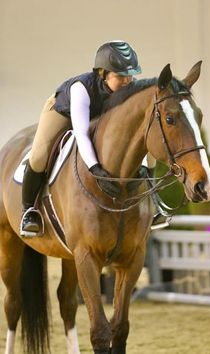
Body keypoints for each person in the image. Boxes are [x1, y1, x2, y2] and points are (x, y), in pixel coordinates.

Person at [20, 40, 143, 236]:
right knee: (39, 154)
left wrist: (144, 166)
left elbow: (136, 132)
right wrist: (95, 169)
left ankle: (157, 207)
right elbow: (81, 133)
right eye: (121, 76)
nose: (127, 81)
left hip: (96, 116)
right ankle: (28, 211)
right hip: (64, 112)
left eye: (131, 75)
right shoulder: (81, 88)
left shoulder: (130, 90)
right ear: (103, 74)